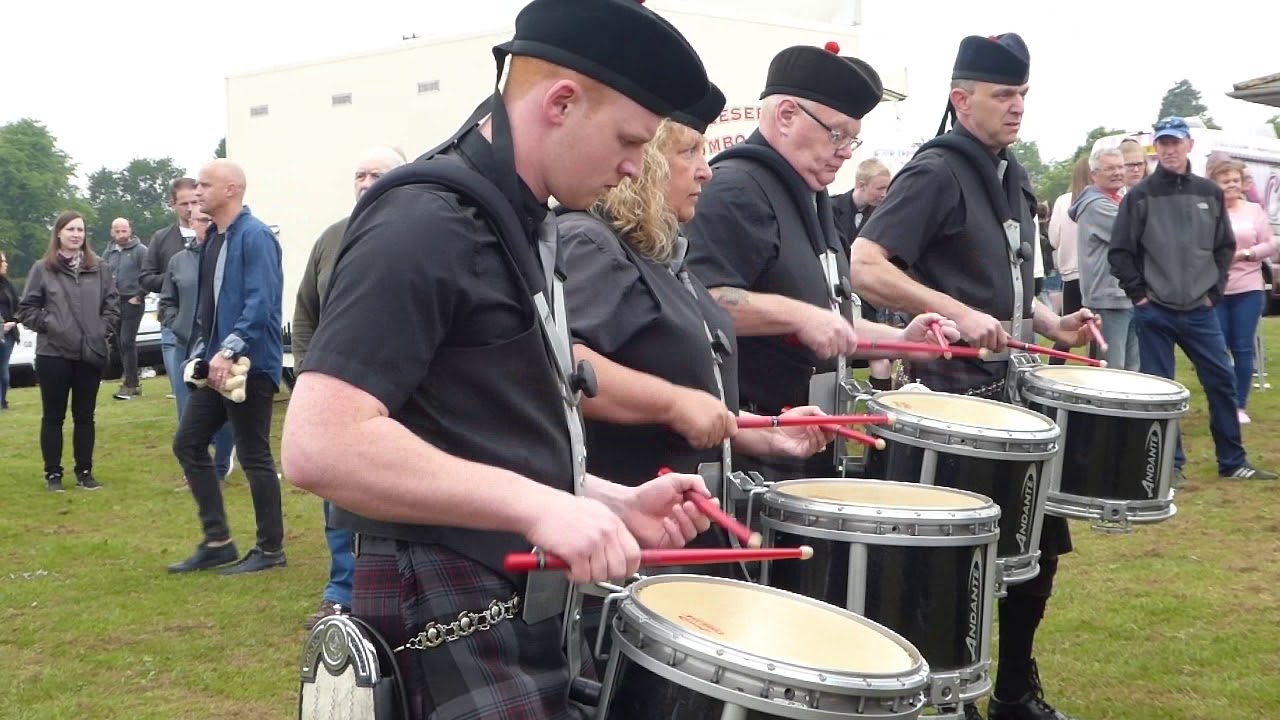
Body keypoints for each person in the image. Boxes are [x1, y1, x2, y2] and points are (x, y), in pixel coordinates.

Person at [281, 1, 717, 717]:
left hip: (510, 601)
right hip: (438, 602)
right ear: (562, 102)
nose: (637, 165)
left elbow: (479, 427)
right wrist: (541, 506)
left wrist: (603, 497)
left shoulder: (523, 217)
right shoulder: (423, 223)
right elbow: (319, 444)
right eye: (631, 139)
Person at [850, 33, 1096, 720]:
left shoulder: (1008, 173)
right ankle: (948, 697)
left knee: (1035, 555)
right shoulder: (937, 171)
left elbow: (1010, 287)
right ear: (961, 100)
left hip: (1012, 399)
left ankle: (1014, 688)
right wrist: (953, 311)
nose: (1017, 107)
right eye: (1002, 95)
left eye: (1022, 94)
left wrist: (1053, 325)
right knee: (957, 566)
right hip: (950, 405)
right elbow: (865, 264)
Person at [685, 44, 957, 483]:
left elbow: (827, 322)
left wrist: (900, 339)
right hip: (757, 453)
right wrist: (796, 314)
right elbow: (700, 301)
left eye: (852, 138)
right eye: (837, 134)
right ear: (786, 115)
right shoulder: (736, 189)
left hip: (808, 446)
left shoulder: (809, 196)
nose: (846, 151)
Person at [558, 93, 834, 511]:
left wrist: (762, 430)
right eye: (688, 152)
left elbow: (694, 398)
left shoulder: (659, 254)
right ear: (643, 163)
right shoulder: (590, 242)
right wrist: (672, 403)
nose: (706, 171)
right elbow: (564, 368)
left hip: (683, 519)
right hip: (631, 524)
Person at [1110, 116, 1277, 484]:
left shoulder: (1209, 192)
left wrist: (1213, 292)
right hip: (1155, 310)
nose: (1170, 150)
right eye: (1163, 143)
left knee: (1222, 381)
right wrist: (1139, 295)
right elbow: (1121, 252)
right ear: (1157, 147)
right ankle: (1170, 465)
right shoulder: (1140, 196)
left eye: (1176, 142)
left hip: (1200, 309)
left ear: (1189, 146)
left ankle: (1233, 462)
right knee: (1161, 391)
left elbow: (1223, 247)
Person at [290, 144, 407, 630]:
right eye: (359, 173)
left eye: (376, 173)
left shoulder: (415, 236)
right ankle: (341, 591)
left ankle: (402, 583)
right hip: (339, 393)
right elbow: (304, 313)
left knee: (396, 492)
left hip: (400, 394)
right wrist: (308, 377)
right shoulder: (331, 239)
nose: (365, 181)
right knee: (337, 496)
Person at [167, 159, 288, 575]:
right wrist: (204, 351)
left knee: (254, 454)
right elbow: (210, 307)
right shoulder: (215, 238)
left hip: (249, 366)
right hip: (218, 365)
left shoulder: (254, 237)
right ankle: (218, 541)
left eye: (205, 185)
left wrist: (229, 349)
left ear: (232, 189)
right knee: (188, 442)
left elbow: (261, 302)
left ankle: (270, 550)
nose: (197, 193)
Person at [17, 211, 120, 492]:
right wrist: (51, 324)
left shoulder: (100, 267)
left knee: (85, 416)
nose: (76, 234)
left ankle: (85, 471)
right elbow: (26, 309)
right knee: (53, 416)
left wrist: (101, 330)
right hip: (53, 354)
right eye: (70, 229)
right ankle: (53, 474)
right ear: (59, 233)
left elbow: (112, 305)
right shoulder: (42, 269)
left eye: (81, 230)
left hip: (89, 352)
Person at [157, 210, 235, 488]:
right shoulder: (178, 261)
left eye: (211, 220)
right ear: (191, 223)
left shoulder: (229, 256)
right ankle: (194, 472)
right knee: (188, 408)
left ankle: (220, 467)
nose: (207, 225)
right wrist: (177, 324)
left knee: (222, 408)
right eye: (202, 220)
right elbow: (166, 301)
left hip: (219, 347)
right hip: (185, 345)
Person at [1207, 158, 1275, 424]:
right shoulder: (1209, 211)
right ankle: (1221, 400)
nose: (1232, 185)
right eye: (1226, 181)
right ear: (1215, 184)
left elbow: (1270, 244)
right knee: (1217, 348)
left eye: (1236, 179)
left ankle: (1239, 405)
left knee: (1242, 348)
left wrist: (1247, 254)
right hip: (1217, 290)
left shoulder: (1254, 210)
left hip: (1249, 289)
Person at [1071, 148, 1139, 370]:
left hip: (1126, 295)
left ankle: (1128, 406)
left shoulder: (1119, 200)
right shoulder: (1097, 206)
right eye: (1110, 168)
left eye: (1120, 167)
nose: (1117, 172)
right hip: (1108, 298)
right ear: (1094, 174)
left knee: (1132, 368)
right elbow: (1137, 234)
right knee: (1112, 370)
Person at [832, 157, 897, 390]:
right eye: (880, 188)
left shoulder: (884, 216)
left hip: (870, 305)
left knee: (881, 360)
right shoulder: (828, 208)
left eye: (888, 188)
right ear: (861, 184)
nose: (885, 194)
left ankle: (877, 417)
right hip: (835, 301)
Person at [143, 178, 202, 401]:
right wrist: (174, 279)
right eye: (184, 203)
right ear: (173, 204)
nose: (190, 208)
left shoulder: (213, 234)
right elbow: (145, 278)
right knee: (183, 393)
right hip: (174, 326)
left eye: (194, 202)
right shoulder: (162, 238)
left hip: (208, 325)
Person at [102, 217, 148, 399]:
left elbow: (148, 274)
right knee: (121, 343)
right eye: (117, 231)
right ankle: (129, 379)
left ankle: (132, 383)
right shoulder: (108, 253)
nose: (121, 235)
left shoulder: (140, 251)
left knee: (128, 341)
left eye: (124, 231)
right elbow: (103, 275)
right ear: (112, 232)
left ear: (130, 230)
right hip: (114, 301)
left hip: (132, 300)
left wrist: (139, 296)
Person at [0, 251, 20, 410]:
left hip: (7, 332)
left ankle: (2, 400)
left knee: (3, 366)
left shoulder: (9, 285)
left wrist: (13, 322)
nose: (6, 264)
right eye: (3, 261)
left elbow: (20, 307)